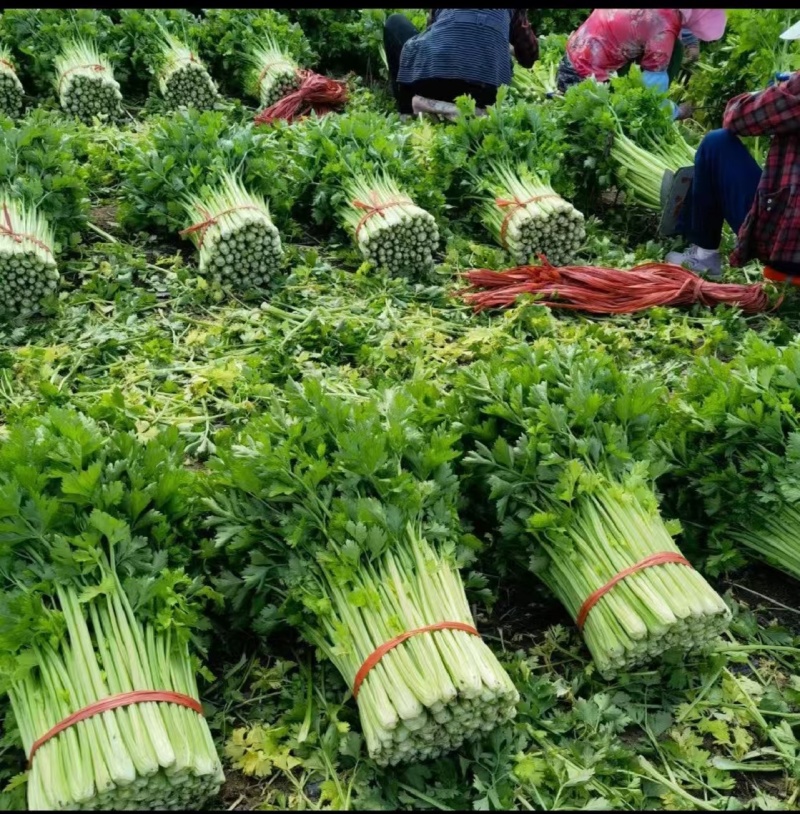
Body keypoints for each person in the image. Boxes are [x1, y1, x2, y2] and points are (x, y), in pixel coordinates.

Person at [665, 21, 800, 280]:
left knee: (716, 143)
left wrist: (773, 92)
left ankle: (704, 257)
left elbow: (737, 118)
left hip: (789, 249)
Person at [556, 10, 726, 120]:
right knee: (674, 51)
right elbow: (652, 92)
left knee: (670, 47)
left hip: (573, 54)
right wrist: (677, 112)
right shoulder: (664, 29)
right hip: (580, 80)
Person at [383, 9, 539, 116]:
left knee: (394, 22)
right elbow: (529, 57)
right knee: (501, 58)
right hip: (487, 93)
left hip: (434, 82)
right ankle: (477, 111)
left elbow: (433, 31)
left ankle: (407, 113)